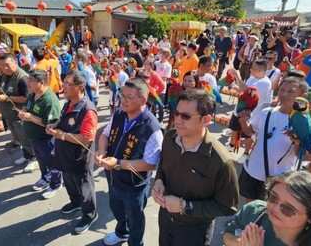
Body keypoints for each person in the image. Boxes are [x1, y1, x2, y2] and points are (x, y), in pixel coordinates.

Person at [152, 89, 239, 246]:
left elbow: (228, 207)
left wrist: (185, 206)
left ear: (206, 120)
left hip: (194, 230)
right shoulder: (170, 137)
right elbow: (163, 165)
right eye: (176, 113)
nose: (177, 119)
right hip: (165, 219)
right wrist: (159, 181)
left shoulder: (221, 161)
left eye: (186, 116)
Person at [96, 78, 163, 246]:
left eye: (129, 97)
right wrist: (102, 151)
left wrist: (118, 163)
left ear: (143, 100)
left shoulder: (152, 128)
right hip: (113, 176)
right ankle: (121, 232)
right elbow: (105, 134)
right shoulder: (119, 114)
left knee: (135, 217)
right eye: (122, 95)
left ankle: (135, 242)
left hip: (134, 184)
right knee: (116, 207)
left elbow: (149, 164)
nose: (123, 100)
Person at [237, 78, 311, 202]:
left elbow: (307, 157)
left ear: (303, 96)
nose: (284, 94)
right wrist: (243, 121)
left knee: (271, 212)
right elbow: (249, 132)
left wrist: (298, 144)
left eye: (291, 91)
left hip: (279, 178)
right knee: (249, 206)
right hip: (253, 170)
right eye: (282, 90)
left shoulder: (305, 123)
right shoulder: (267, 113)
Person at [46, 70, 98, 234]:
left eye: (69, 84)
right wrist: (55, 125)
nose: (64, 86)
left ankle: (90, 215)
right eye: (65, 83)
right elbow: (63, 120)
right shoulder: (69, 102)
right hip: (65, 155)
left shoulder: (88, 110)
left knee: (85, 188)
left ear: (80, 87)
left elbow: (86, 139)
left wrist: (61, 135)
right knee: (69, 182)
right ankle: (75, 203)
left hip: (79, 158)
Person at [223, 171, 311, 246]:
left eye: (288, 209)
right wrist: (240, 243)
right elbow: (228, 234)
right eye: (273, 197)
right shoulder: (254, 212)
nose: (275, 208)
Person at [18, 69, 62, 199]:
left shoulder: (49, 100)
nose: (28, 83)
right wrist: (23, 112)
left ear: (41, 82)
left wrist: (30, 117)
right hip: (35, 138)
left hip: (46, 139)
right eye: (28, 80)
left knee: (51, 162)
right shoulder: (33, 93)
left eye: (31, 81)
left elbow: (50, 124)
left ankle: (56, 183)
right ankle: (45, 178)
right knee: (41, 161)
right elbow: (26, 105)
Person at [0, 53, 37, 173]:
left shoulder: (22, 78)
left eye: (7, 65)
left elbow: (26, 98)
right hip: (9, 114)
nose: (4, 68)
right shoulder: (5, 75)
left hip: (19, 115)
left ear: (15, 62)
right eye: (2, 65)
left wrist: (5, 98)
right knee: (19, 138)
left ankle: (33, 158)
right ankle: (26, 156)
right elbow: (2, 89)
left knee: (26, 139)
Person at [227, 59, 272, 161]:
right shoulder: (252, 78)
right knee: (235, 128)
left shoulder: (264, 83)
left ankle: (246, 153)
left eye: (253, 68)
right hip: (238, 110)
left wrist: (237, 76)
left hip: (251, 114)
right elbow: (242, 90)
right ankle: (231, 145)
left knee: (248, 135)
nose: (250, 69)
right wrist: (234, 87)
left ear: (260, 70)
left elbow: (247, 90)